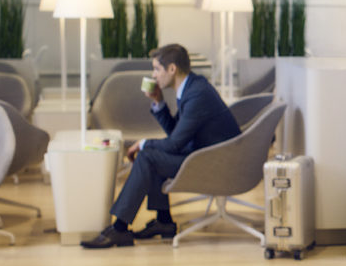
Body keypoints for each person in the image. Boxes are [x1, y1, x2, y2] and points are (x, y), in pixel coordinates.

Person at [81, 43, 241, 249]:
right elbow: (177, 135)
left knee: (148, 155)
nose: (154, 75)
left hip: (216, 163)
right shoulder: (192, 87)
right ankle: (164, 222)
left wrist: (143, 143)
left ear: (172, 69)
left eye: (157, 69)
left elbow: (175, 144)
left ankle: (119, 229)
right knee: (151, 153)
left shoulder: (197, 94)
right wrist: (159, 103)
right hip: (204, 154)